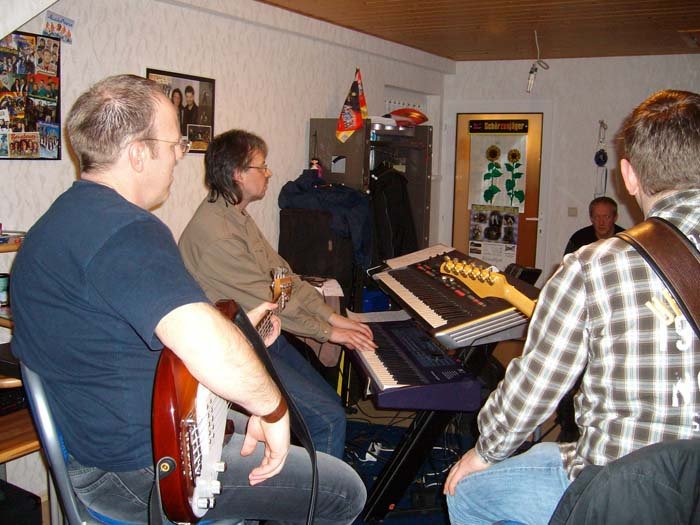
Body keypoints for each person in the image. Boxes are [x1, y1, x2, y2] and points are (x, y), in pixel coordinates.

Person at [10, 74, 365, 524]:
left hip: (111, 444)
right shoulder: (126, 231)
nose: (181, 155)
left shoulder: (57, 224)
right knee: (342, 491)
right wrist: (272, 408)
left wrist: (240, 335)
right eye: (175, 144)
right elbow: (205, 342)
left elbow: (133, 338)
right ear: (138, 153)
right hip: (141, 471)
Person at [444, 88, 700, 525]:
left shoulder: (594, 265)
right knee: (548, 452)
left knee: (467, 492)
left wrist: (484, 451)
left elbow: (536, 386)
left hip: (619, 489)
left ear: (628, 175)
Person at [179, 129, 377, 459]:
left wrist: (332, 318)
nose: (268, 173)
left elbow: (283, 278)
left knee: (328, 402)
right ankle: (317, 492)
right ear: (238, 174)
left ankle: (304, 476)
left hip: (263, 338)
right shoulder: (219, 235)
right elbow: (271, 303)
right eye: (262, 166)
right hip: (238, 350)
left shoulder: (233, 214)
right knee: (327, 419)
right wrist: (329, 333)